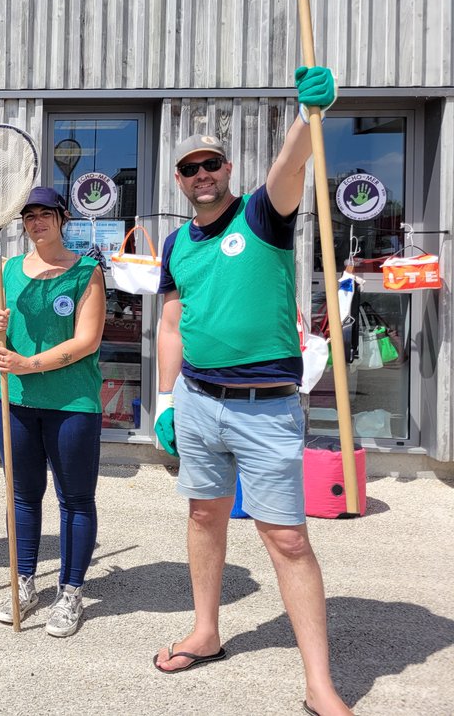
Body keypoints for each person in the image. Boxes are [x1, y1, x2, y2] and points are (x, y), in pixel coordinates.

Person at [152, 67, 354, 716]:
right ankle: (206, 631)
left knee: (288, 540)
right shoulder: (177, 242)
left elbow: (289, 168)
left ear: (227, 168)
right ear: (179, 181)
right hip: (198, 402)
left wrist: (306, 116)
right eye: (190, 168)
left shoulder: (263, 215)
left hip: (265, 410)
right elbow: (171, 322)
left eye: (210, 163)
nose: (201, 174)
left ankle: (319, 686)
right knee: (204, 515)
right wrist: (162, 404)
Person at [0, 188, 106, 636]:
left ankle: (71, 591)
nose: (36, 222)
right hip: (12, 400)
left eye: (44, 215)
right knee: (22, 496)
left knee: (74, 499)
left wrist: (28, 365)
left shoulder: (87, 272)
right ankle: (25, 580)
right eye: (29, 216)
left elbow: (86, 341)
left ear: (62, 218)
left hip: (71, 403)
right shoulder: (9, 270)